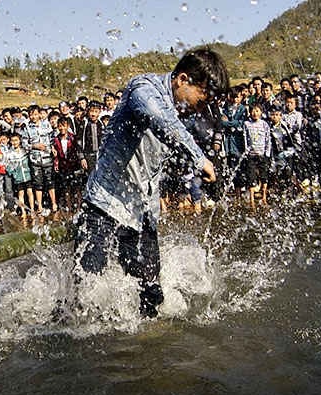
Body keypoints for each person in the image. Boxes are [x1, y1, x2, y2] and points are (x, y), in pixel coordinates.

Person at [75, 48, 227, 318]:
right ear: (182, 79)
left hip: (141, 212)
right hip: (103, 205)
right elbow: (159, 117)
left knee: (152, 296)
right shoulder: (142, 88)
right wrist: (199, 158)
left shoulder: (182, 112)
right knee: (87, 293)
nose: (199, 108)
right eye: (201, 100)